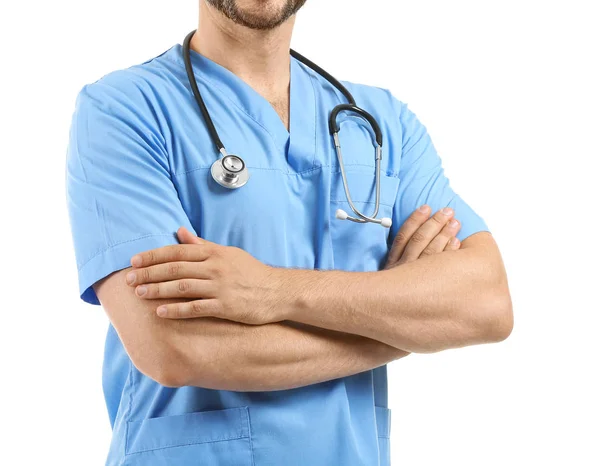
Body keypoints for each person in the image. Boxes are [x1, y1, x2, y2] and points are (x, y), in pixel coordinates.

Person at [65, 1, 513, 465]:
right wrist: (412, 325)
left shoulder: (381, 123)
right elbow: (173, 349)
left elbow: (488, 304)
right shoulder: (124, 111)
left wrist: (272, 290)